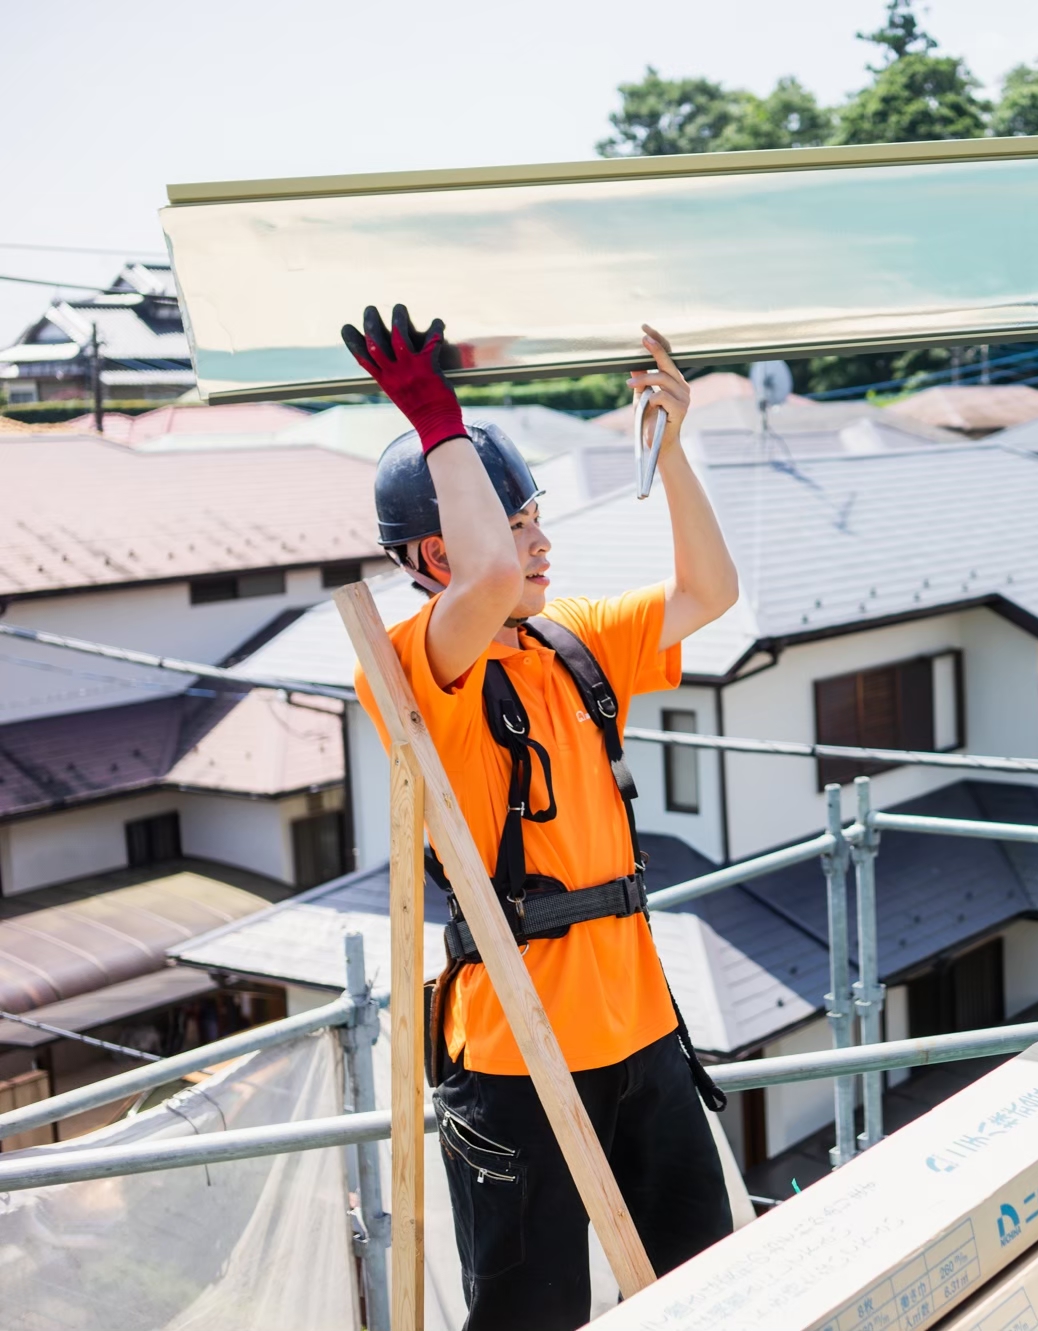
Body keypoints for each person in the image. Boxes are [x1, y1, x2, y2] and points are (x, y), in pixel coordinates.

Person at [345, 305, 740, 1330]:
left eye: (532, 521)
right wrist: (441, 421)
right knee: (533, 1313)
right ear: (435, 551)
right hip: (516, 1054)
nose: (538, 544)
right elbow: (482, 582)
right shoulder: (408, 665)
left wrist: (675, 447)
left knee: (707, 1285)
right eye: (518, 526)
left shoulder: (570, 640)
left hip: (642, 1026)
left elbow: (711, 589)